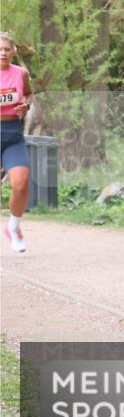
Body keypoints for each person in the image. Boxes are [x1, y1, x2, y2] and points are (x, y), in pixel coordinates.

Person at [0, 32, 33, 253]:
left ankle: (13, 227)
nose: (3, 53)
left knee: (21, 183)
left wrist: (25, 106)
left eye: (6, 49)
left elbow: (29, 95)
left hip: (12, 133)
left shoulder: (21, 74)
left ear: (14, 51)